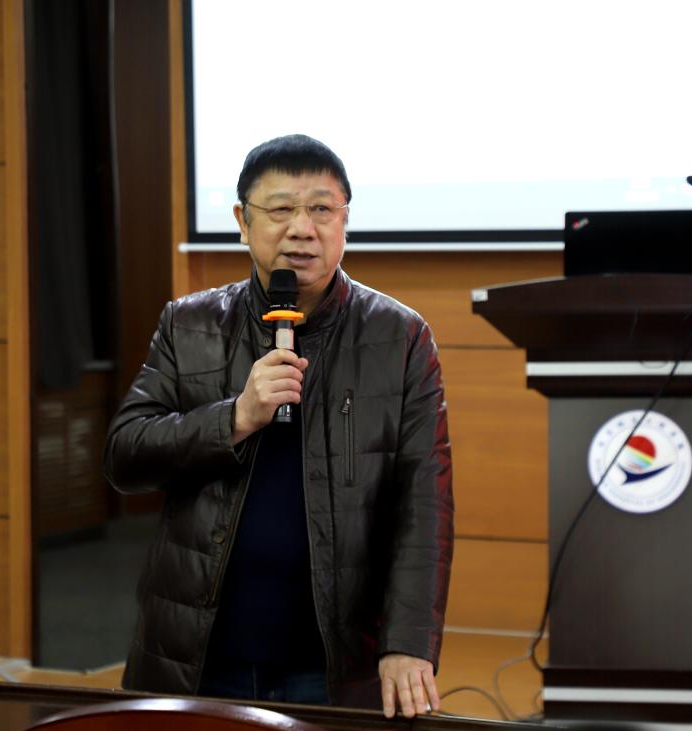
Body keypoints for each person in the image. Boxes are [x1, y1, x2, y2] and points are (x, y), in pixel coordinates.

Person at [103, 134, 453, 718]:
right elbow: (125, 455)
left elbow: (425, 503)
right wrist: (235, 417)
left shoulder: (400, 337)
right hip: (197, 652)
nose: (302, 229)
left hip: (335, 659)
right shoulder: (188, 325)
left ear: (345, 221)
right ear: (243, 222)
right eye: (281, 209)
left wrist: (408, 642)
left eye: (321, 209)